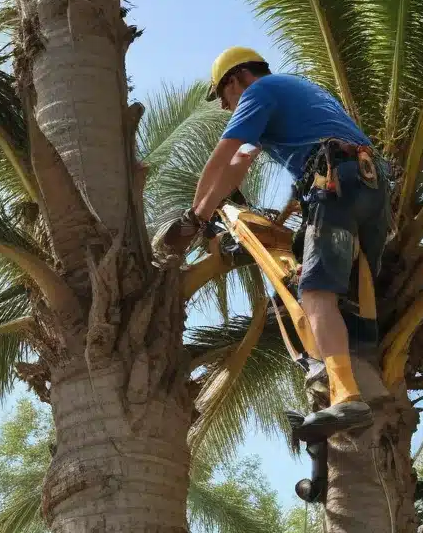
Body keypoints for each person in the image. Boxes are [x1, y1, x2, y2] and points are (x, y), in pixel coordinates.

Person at [159, 46, 390, 441]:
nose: (225, 108)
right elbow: (240, 164)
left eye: (223, 97)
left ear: (236, 80)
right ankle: (356, 367)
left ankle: (347, 394)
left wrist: (196, 217)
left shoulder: (257, 93)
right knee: (354, 290)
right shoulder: (300, 90)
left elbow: (223, 158)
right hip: (374, 186)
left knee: (315, 292)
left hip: (335, 182)